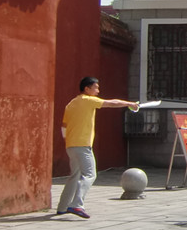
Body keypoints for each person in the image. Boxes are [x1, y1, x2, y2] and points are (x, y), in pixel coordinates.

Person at [56, 77, 139, 218]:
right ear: (87, 89)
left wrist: (69, 141)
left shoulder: (71, 103)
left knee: (74, 176)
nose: (98, 91)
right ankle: (76, 205)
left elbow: (64, 127)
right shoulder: (88, 100)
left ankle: (62, 207)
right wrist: (129, 104)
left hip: (71, 146)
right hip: (83, 145)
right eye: (96, 87)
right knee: (90, 174)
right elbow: (111, 103)